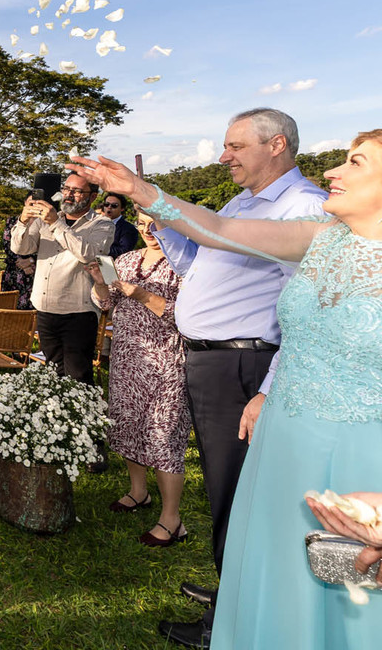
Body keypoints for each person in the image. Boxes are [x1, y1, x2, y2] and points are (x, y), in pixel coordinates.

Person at [68, 127, 377, 650]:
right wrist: (142, 191)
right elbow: (217, 231)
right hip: (285, 433)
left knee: (351, 579)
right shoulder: (319, 238)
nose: (331, 171)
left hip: (358, 447)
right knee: (276, 558)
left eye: (357, 163)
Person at [121, 110, 325, 648]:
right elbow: (196, 265)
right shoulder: (241, 202)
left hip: (246, 363)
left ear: (276, 144)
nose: (223, 156)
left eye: (235, 146)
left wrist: (266, 387)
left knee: (240, 496)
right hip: (214, 361)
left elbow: (302, 311)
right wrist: (167, 229)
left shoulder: (300, 207)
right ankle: (232, 590)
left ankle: (233, 624)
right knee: (224, 490)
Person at [88, 212, 189, 547]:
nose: (148, 228)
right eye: (142, 220)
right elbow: (108, 304)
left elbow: (189, 315)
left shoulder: (186, 261)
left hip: (166, 361)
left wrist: (143, 295)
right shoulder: (127, 259)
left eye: (156, 221)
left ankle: (172, 519)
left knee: (163, 435)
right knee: (129, 424)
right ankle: (138, 492)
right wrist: (100, 283)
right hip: (129, 358)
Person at [10, 174, 114, 386]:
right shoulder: (45, 219)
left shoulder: (102, 224)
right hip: (46, 307)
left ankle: (85, 418)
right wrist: (23, 220)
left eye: (76, 191)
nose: (68, 195)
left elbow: (89, 254)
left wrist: (56, 223)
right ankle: (55, 417)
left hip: (78, 311)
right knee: (52, 372)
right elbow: (20, 248)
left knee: (78, 375)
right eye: (66, 189)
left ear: (93, 196)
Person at [1, 214, 36, 309]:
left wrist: (31, 261)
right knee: (9, 309)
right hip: (13, 272)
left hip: (35, 273)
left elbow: (47, 247)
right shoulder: (12, 220)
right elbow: (7, 244)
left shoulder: (45, 222)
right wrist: (21, 263)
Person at [103, 193, 140, 258]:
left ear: (122, 208)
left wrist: (100, 249)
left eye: (114, 205)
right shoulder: (96, 223)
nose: (109, 207)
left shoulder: (129, 229)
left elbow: (124, 251)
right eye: (106, 204)